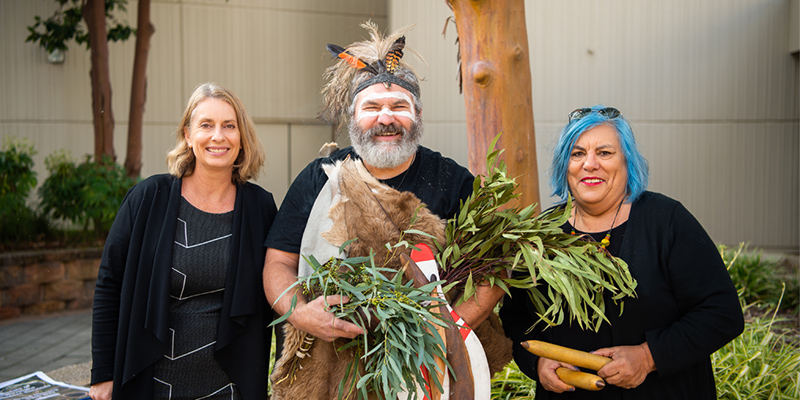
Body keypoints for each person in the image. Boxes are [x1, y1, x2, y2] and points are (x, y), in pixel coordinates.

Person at [262, 22, 509, 398]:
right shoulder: (319, 179)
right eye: (372, 107)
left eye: (399, 106)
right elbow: (278, 263)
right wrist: (301, 313)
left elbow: (493, 269)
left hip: (433, 367)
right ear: (352, 118)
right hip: (334, 367)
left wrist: (447, 328)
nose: (386, 118)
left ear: (418, 115)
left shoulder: (452, 181)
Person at [500, 106, 744, 399]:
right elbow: (515, 319)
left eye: (604, 153)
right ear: (565, 165)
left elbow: (722, 312)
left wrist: (648, 356)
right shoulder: (539, 234)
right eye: (577, 154)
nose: (589, 164)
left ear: (628, 162)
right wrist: (537, 362)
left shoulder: (666, 221)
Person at [89, 83, 277, 400]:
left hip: (231, 387)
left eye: (229, 126)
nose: (218, 136)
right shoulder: (149, 198)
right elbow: (110, 283)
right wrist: (103, 374)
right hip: (152, 382)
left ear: (241, 137)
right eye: (206, 125)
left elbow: (279, 292)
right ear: (188, 136)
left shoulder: (261, 208)